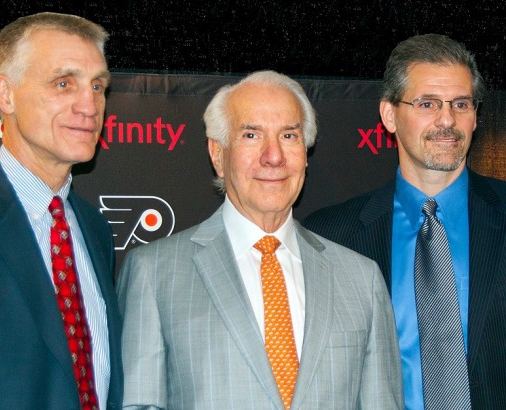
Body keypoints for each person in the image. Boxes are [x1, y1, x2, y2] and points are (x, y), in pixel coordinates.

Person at [117, 70, 403, 409]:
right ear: (218, 154)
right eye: (251, 135)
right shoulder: (155, 273)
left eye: (289, 136)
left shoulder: (361, 279)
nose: (274, 156)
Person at [303, 34, 506, 410]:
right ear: (389, 115)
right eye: (428, 103)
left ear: (476, 116)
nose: (447, 120)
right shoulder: (330, 237)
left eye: (461, 104)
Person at [0, 12, 123, 409]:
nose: (89, 105)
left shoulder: (94, 229)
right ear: (6, 93)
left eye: (98, 86)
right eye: (64, 83)